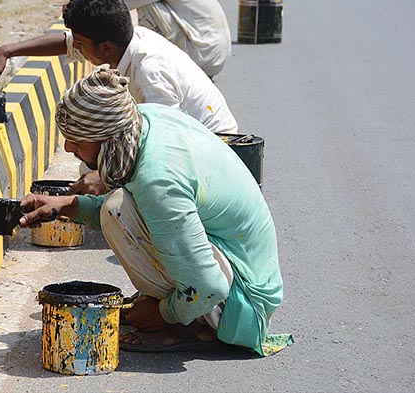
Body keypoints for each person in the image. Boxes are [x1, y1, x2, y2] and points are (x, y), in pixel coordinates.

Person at [18, 68, 287, 355]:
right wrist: (69, 206)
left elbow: (210, 287)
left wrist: (162, 313)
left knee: (115, 209)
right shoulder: (143, 120)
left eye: (77, 139)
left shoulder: (158, 180)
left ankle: (192, 324)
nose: (68, 146)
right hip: (240, 268)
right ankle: (182, 305)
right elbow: (143, 211)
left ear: (106, 139)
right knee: (119, 207)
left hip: (242, 305)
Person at [0, 0, 238, 135]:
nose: (75, 47)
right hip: (194, 137)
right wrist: (6, 51)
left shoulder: (149, 72)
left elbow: (165, 141)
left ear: (104, 47)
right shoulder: (125, 40)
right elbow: (64, 42)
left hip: (216, 145)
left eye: (80, 42)